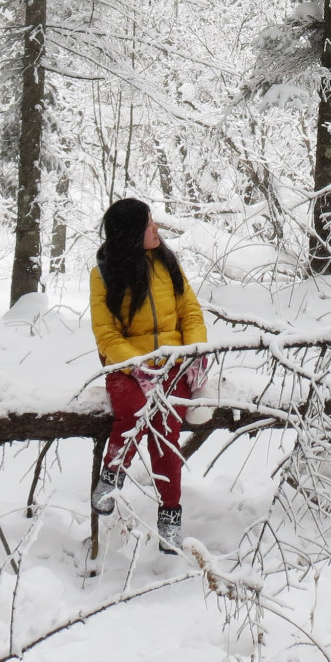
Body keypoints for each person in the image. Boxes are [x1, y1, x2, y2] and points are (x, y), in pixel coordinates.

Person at [88, 197, 207, 551]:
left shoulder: (168, 264)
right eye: (148, 225)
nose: (156, 229)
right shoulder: (103, 274)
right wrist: (136, 367)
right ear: (129, 235)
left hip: (173, 362)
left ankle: (170, 513)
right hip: (126, 367)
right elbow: (106, 336)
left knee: (166, 425)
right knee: (136, 407)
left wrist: (194, 352)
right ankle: (113, 472)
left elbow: (191, 313)